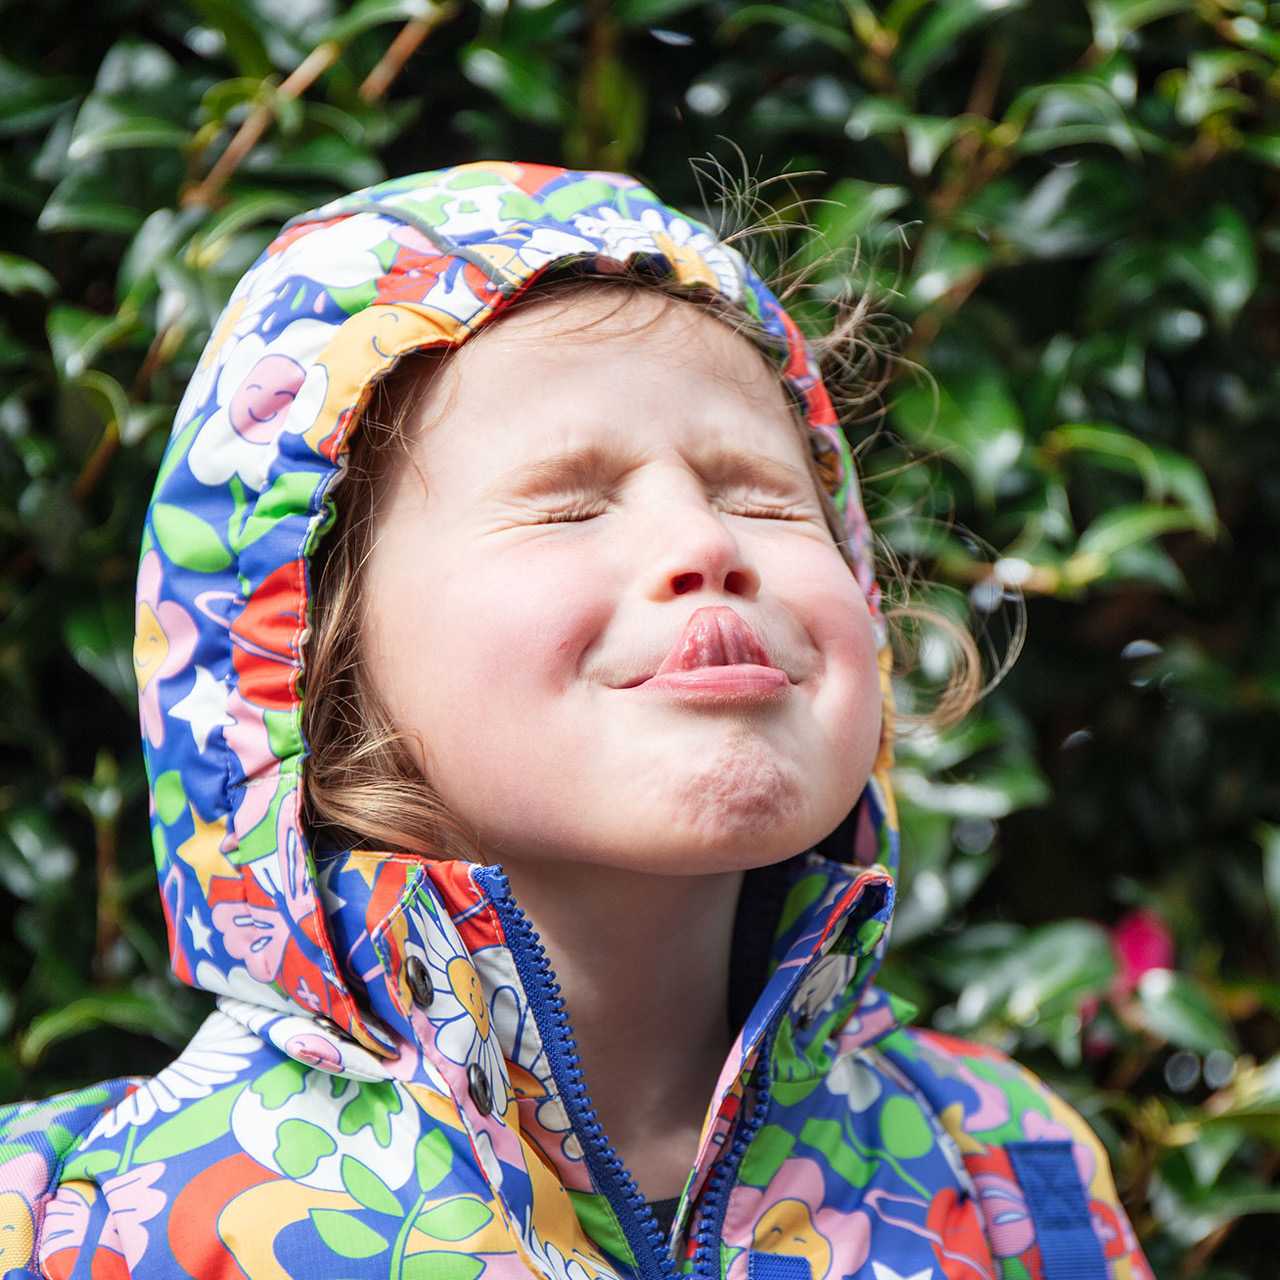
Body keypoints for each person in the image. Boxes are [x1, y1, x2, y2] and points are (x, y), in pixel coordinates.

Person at [0, 160, 1153, 1280]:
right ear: (312, 652)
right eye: (569, 504)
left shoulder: (1009, 1179)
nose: (705, 546)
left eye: (758, 493)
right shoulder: (80, 1228)